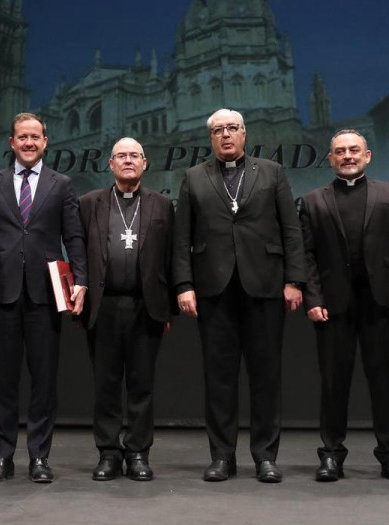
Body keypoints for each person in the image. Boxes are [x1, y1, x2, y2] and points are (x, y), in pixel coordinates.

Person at [172, 108, 307, 483]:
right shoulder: (193, 177)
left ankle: (265, 456)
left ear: (244, 134)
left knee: (266, 376)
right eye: (218, 130)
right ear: (211, 138)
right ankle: (221, 456)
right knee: (219, 377)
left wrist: (295, 280)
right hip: (213, 289)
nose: (226, 135)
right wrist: (184, 285)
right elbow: (182, 237)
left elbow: (290, 229)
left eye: (232, 128)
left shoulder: (272, 172)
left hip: (265, 286)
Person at [299, 129, 389, 482]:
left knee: (384, 382)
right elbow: (306, 256)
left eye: (354, 150)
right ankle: (331, 455)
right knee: (333, 384)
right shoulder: (313, 200)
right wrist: (313, 298)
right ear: (330, 159)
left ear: (368, 155)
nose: (347, 156)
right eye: (340, 151)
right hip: (332, 307)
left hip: (381, 303)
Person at [0, 113, 88, 483]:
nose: (28, 143)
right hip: (3, 292)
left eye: (35, 137)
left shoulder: (62, 184)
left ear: (45, 142)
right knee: (3, 380)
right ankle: (2, 457)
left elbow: (74, 237)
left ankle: (40, 457)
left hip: (45, 294)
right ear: (12, 142)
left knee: (43, 379)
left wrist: (81, 280)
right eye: (22, 137)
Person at [78, 138, 174, 481]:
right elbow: (78, 253)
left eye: (135, 156)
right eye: (122, 156)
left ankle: (137, 452)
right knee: (106, 384)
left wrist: (169, 309)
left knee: (141, 384)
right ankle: (108, 452)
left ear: (145, 163)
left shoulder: (162, 204)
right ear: (111, 163)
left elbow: (172, 257)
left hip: (146, 306)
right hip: (103, 306)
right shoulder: (89, 203)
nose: (128, 160)